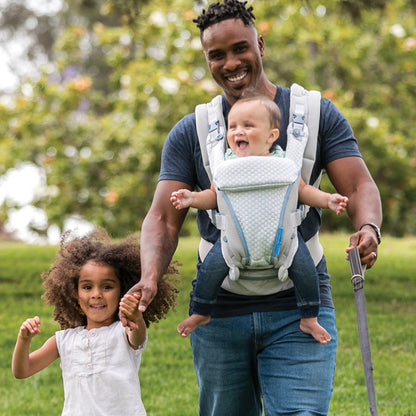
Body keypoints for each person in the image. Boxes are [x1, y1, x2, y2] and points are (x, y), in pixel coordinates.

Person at [129, 0, 382, 414]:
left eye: (240, 48)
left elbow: (358, 185)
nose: (231, 62)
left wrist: (368, 228)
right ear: (206, 60)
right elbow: (162, 218)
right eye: (217, 54)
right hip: (219, 309)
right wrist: (150, 276)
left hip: (299, 301)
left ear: (260, 45)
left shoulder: (314, 115)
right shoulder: (192, 131)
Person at [171, 94, 348, 343]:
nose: (237, 132)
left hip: (284, 242)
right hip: (232, 244)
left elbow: (303, 191)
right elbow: (212, 197)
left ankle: (309, 317)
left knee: (307, 273)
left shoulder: (283, 162)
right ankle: (201, 311)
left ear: (271, 136)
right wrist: (191, 198)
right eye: (232, 127)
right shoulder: (225, 165)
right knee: (208, 274)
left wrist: (328, 200)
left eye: (248, 126)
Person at [12, 228, 178, 416]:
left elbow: (137, 337)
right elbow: (22, 370)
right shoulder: (63, 340)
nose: (96, 294)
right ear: (74, 293)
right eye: (87, 287)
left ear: (122, 290)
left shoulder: (123, 331)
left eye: (107, 286)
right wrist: (23, 339)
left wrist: (135, 316)